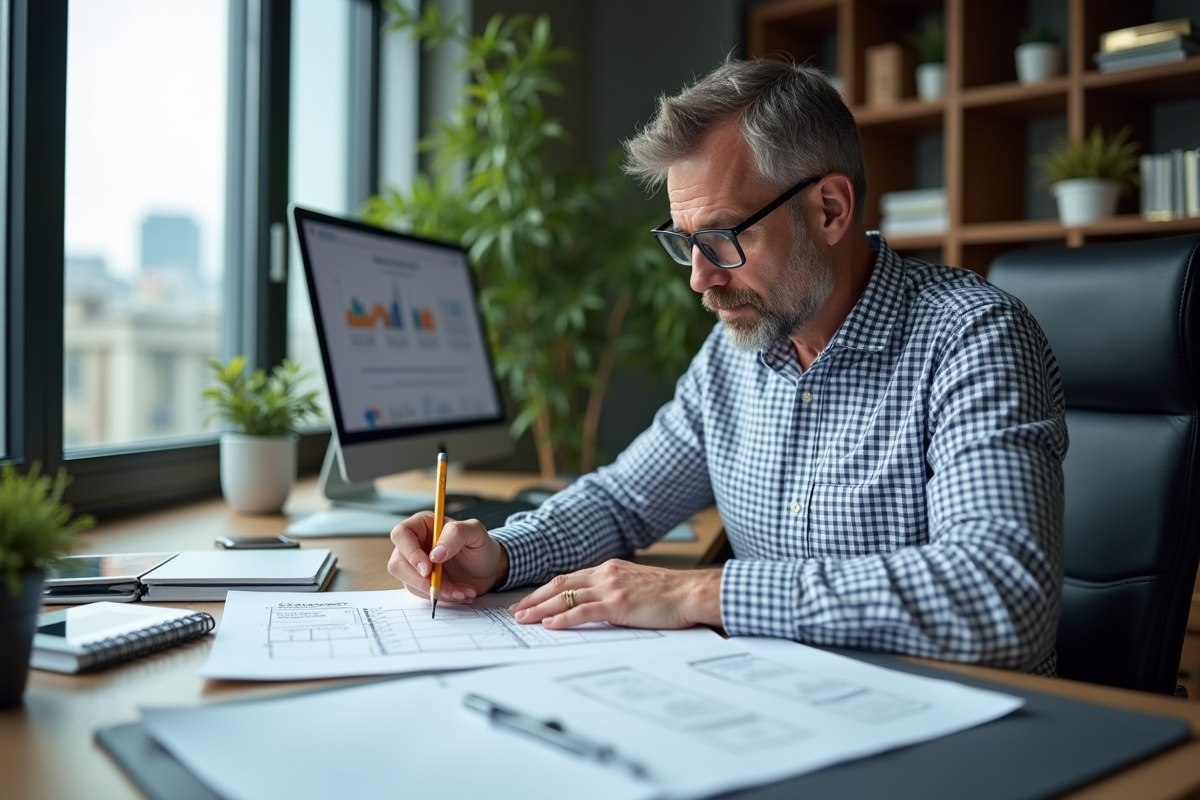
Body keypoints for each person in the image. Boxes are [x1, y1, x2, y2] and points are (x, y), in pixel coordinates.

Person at [387, 58, 1067, 674]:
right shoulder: (735, 353)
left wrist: (698, 592)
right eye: (686, 243)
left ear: (829, 209)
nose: (700, 279)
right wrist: (500, 553)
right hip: (781, 702)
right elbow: (624, 501)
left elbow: (1001, 595)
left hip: (957, 720)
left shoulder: (972, 338)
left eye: (721, 237)